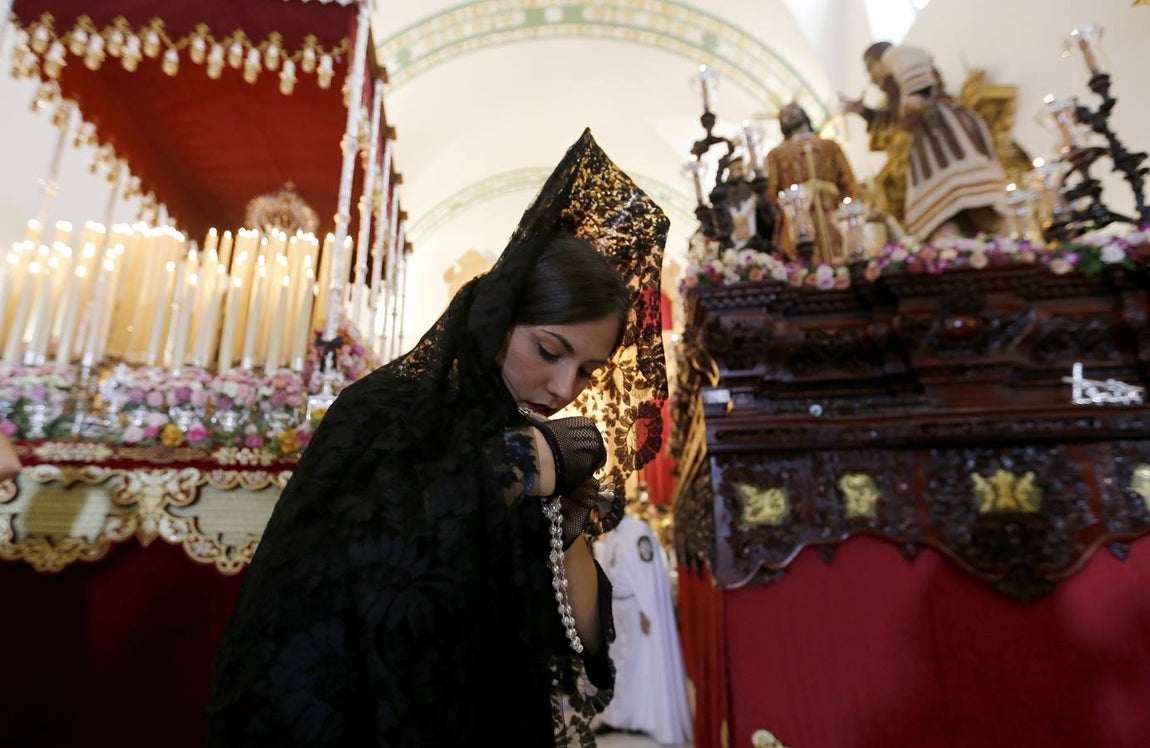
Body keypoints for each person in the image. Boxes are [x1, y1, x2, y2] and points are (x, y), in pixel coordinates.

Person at [207, 128, 670, 747]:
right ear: (498, 317)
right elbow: (353, 581)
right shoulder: (382, 410)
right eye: (548, 350)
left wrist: (566, 514)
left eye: (587, 371)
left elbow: (583, 640)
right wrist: (518, 466)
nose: (564, 388)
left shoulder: (539, 445)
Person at [840, 41, 1006, 243]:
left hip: (942, 137)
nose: (871, 79)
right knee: (943, 211)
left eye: (869, 70)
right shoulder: (896, 89)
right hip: (928, 145)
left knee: (967, 198)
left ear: (877, 62)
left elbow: (911, 60)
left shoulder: (894, 56)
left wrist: (915, 94)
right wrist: (862, 111)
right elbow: (894, 118)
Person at [592, 507, 693, 745]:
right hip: (618, 608)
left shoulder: (638, 532)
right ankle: (618, 717)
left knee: (641, 664)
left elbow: (646, 576)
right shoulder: (613, 535)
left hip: (637, 609)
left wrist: (647, 611)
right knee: (618, 664)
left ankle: (644, 719)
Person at [764, 102, 859, 264]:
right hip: (798, 213)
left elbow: (849, 183)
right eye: (786, 113)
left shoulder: (830, 146)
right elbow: (771, 193)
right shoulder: (777, 154)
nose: (791, 114)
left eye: (794, 110)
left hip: (832, 210)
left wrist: (847, 209)